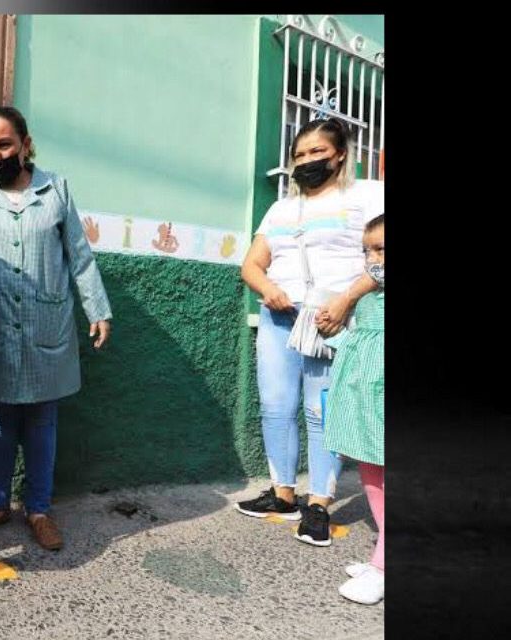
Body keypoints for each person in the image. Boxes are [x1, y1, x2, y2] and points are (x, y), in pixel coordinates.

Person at [0, 106, 113, 551]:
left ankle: (39, 509)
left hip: (48, 322)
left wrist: (97, 310)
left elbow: (79, 257)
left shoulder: (55, 189)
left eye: (4, 144)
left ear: (25, 145)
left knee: (43, 422)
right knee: (0, 421)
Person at [236, 118, 383, 548]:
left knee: (322, 412)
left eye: (317, 152)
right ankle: (282, 493)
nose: (306, 161)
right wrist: (269, 289)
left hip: (330, 322)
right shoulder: (282, 208)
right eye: (299, 155)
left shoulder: (365, 196)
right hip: (279, 318)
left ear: (339, 154)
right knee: (276, 407)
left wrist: (345, 300)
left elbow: (380, 259)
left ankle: (318, 503)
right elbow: (251, 264)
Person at [323, 214, 385, 604]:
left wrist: (348, 295)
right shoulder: (369, 290)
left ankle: (383, 567)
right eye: (367, 250)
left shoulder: (368, 283)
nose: (372, 259)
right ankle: (384, 553)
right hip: (365, 390)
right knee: (369, 467)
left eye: (381, 248)